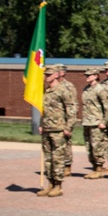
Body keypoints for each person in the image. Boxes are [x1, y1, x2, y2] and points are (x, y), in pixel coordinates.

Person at [38, 66, 77, 197]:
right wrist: (40, 124)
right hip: (47, 129)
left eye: (49, 74)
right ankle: (50, 183)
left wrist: (68, 127)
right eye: (46, 74)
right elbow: (43, 111)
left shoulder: (63, 90)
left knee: (58, 158)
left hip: (59, 130)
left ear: (56, 75)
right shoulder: (45, 91)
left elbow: (71, 110)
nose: (46, 76)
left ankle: (58, 186)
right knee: (48, 158)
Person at [81, 67, 108, 179]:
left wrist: (104, 121)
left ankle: (99, 169)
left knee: (97, 147)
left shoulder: (100, 89)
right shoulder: (86, 89)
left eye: (89, 75)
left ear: (96, 76)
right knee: (89, 147)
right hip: (87, 122)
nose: (87, 77)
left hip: (96, 122)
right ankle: (94, 167)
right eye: (86, 75)